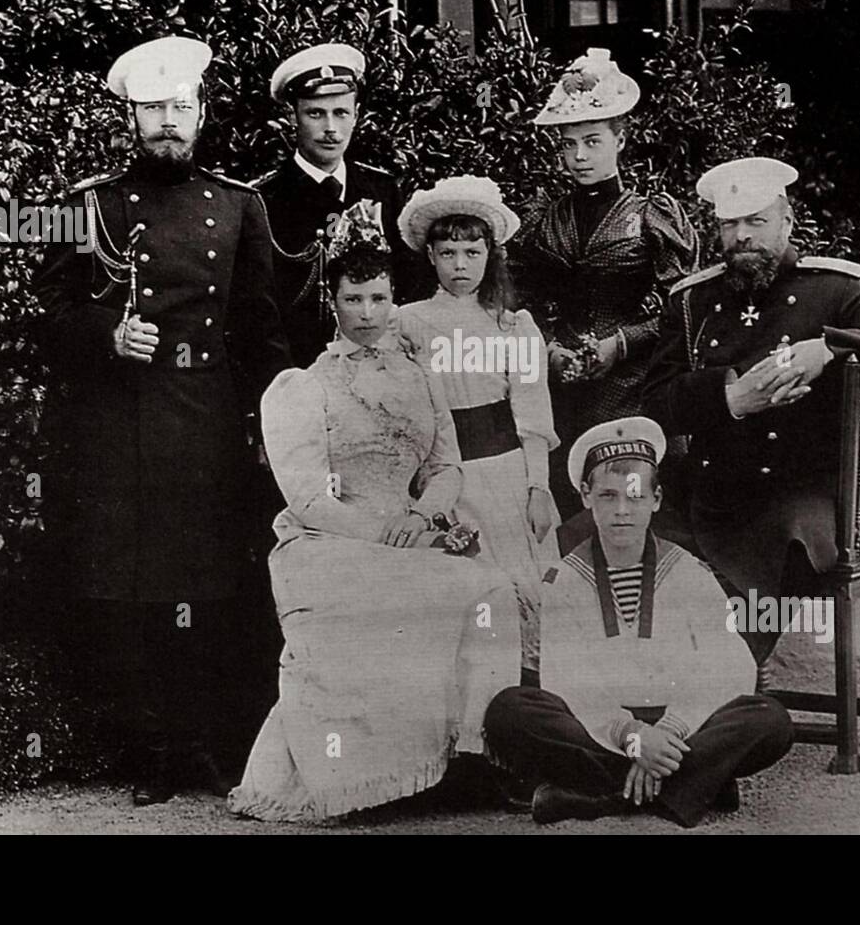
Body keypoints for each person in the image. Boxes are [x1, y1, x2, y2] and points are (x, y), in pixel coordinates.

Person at [33, 35, 292, 805]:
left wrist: (278, 424)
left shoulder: (241, 204)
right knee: (135, 591)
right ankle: (150, 750)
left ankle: (199, 747)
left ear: (202, 113)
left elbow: (261, 328)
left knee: (208, 586)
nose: (168, 123)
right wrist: (105, 334)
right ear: (130, 117)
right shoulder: (88, 205)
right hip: (123, 425)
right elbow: (44, 314)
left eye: (181, 107)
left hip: (208, 419)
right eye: (153, 110)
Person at [229, 201, 521, 822]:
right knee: (387, 592)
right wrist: (385, 535)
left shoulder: (421, 377)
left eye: (379, 299)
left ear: (395, 301)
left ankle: (468, 758)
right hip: (328, 540)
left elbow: (445, 468)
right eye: (354, 299)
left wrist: (423, 519)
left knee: (490, 588)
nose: (368, 314)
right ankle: (361, 777)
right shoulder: (304, 387)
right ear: (333, 304)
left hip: (410, 533)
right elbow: (307, 498)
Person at [643, 157, 860, 667]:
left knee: (772, 556)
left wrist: (829, 348)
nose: (741, 237)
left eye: (756, 222)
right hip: (712, 489)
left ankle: (723, 682)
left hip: (807, 494)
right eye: (728, 224)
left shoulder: (836, 290)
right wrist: (731, 399)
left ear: (787, 222)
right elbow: (655, 404)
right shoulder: (693, 301)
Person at [484, 418, 792, 827]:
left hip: (683, 724)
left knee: (771, 720)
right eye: (608, 496)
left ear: (656, 499)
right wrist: (631, 737)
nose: (622, 511)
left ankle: (594, 798)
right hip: (601, 727)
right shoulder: (566, 579)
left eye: (634, 496)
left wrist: (668, 731)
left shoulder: (687, 572)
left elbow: (730, 665)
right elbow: (565, 678)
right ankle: (694, 784)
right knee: (510, 710)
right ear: (586, 497)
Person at [509, 47, 698, 522]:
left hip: (634, 386)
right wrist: (549, 348)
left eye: (592, 142)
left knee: (627, 497)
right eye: (568, 144)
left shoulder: (651, 216)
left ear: (620, 139)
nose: (578, 157)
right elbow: (520, 303)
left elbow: (685, 311)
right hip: (561, 386)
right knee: (566, 500)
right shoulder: (545, 220)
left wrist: (622, 342)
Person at [395, 175, 559, 679]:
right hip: (445, 476)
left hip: (507, 475)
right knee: (463, 592)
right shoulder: (407, 322)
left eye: (472, 252)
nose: (460, 265)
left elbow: (531, 413)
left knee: (524, 588)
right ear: (430, 257)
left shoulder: (512, 326)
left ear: (491, 254)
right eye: (448, 253)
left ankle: (531, 698)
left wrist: (537, 487)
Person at [256, 42, 432, 365]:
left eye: (341, 113)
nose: (330, 129)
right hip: (299, 374)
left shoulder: (382, 189)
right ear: (292, 116)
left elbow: (411, 283)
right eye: (315, 114)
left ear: (357, 115)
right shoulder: (263, 201)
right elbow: (258, 311)